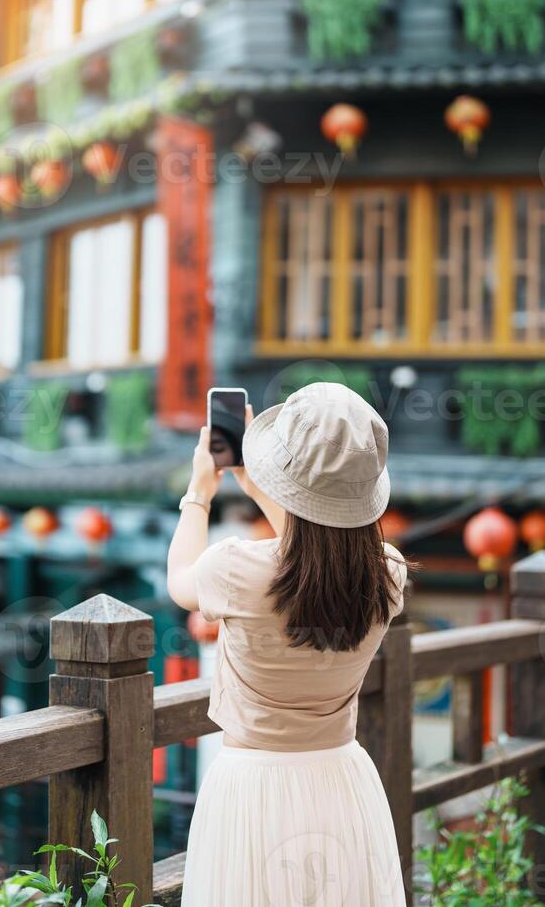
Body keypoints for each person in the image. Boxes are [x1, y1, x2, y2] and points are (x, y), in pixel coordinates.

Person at [167, 382, 408, 907]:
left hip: (252, 787)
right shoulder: (387, 573)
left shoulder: (235, 568)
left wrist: (200, 491)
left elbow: (180, 579)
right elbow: (319, 555)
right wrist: (263, 488)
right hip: (343, 780)